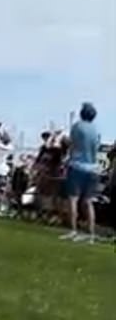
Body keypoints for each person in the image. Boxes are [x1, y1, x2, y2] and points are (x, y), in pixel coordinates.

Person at [60, 102, 100, 244]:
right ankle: (91, 234)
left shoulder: (77, 126)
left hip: (77, 166)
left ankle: (73, 230)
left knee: (73, 199)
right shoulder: (96, 131)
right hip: (93, 168)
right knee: (89, 202)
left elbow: (72, 145)